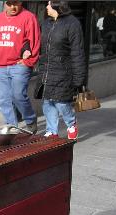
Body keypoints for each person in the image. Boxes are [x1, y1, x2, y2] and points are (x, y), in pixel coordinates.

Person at [0, 0, 41, 134]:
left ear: (21, 2)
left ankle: (30, 120)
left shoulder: (28, 17)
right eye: (9, 4)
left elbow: (35, 41)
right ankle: (12, 127)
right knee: (3, 99)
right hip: (2, 65)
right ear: (5, 3)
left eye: (16, 3)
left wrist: (29, 61)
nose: (13, 7)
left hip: (19, 65)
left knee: (18, 95)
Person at [39, 0, 86, 140]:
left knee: (61, 102)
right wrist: (26, 49)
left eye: (48, 4)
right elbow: (34, 42)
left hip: (63, 71)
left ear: (56, 6)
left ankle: (71, 124)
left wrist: (79, 78)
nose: (46, 7)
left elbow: (77, 52)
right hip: (47, 70)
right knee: (48, 102)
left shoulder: (72, 24)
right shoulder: (46, 23)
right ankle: (51, 130)